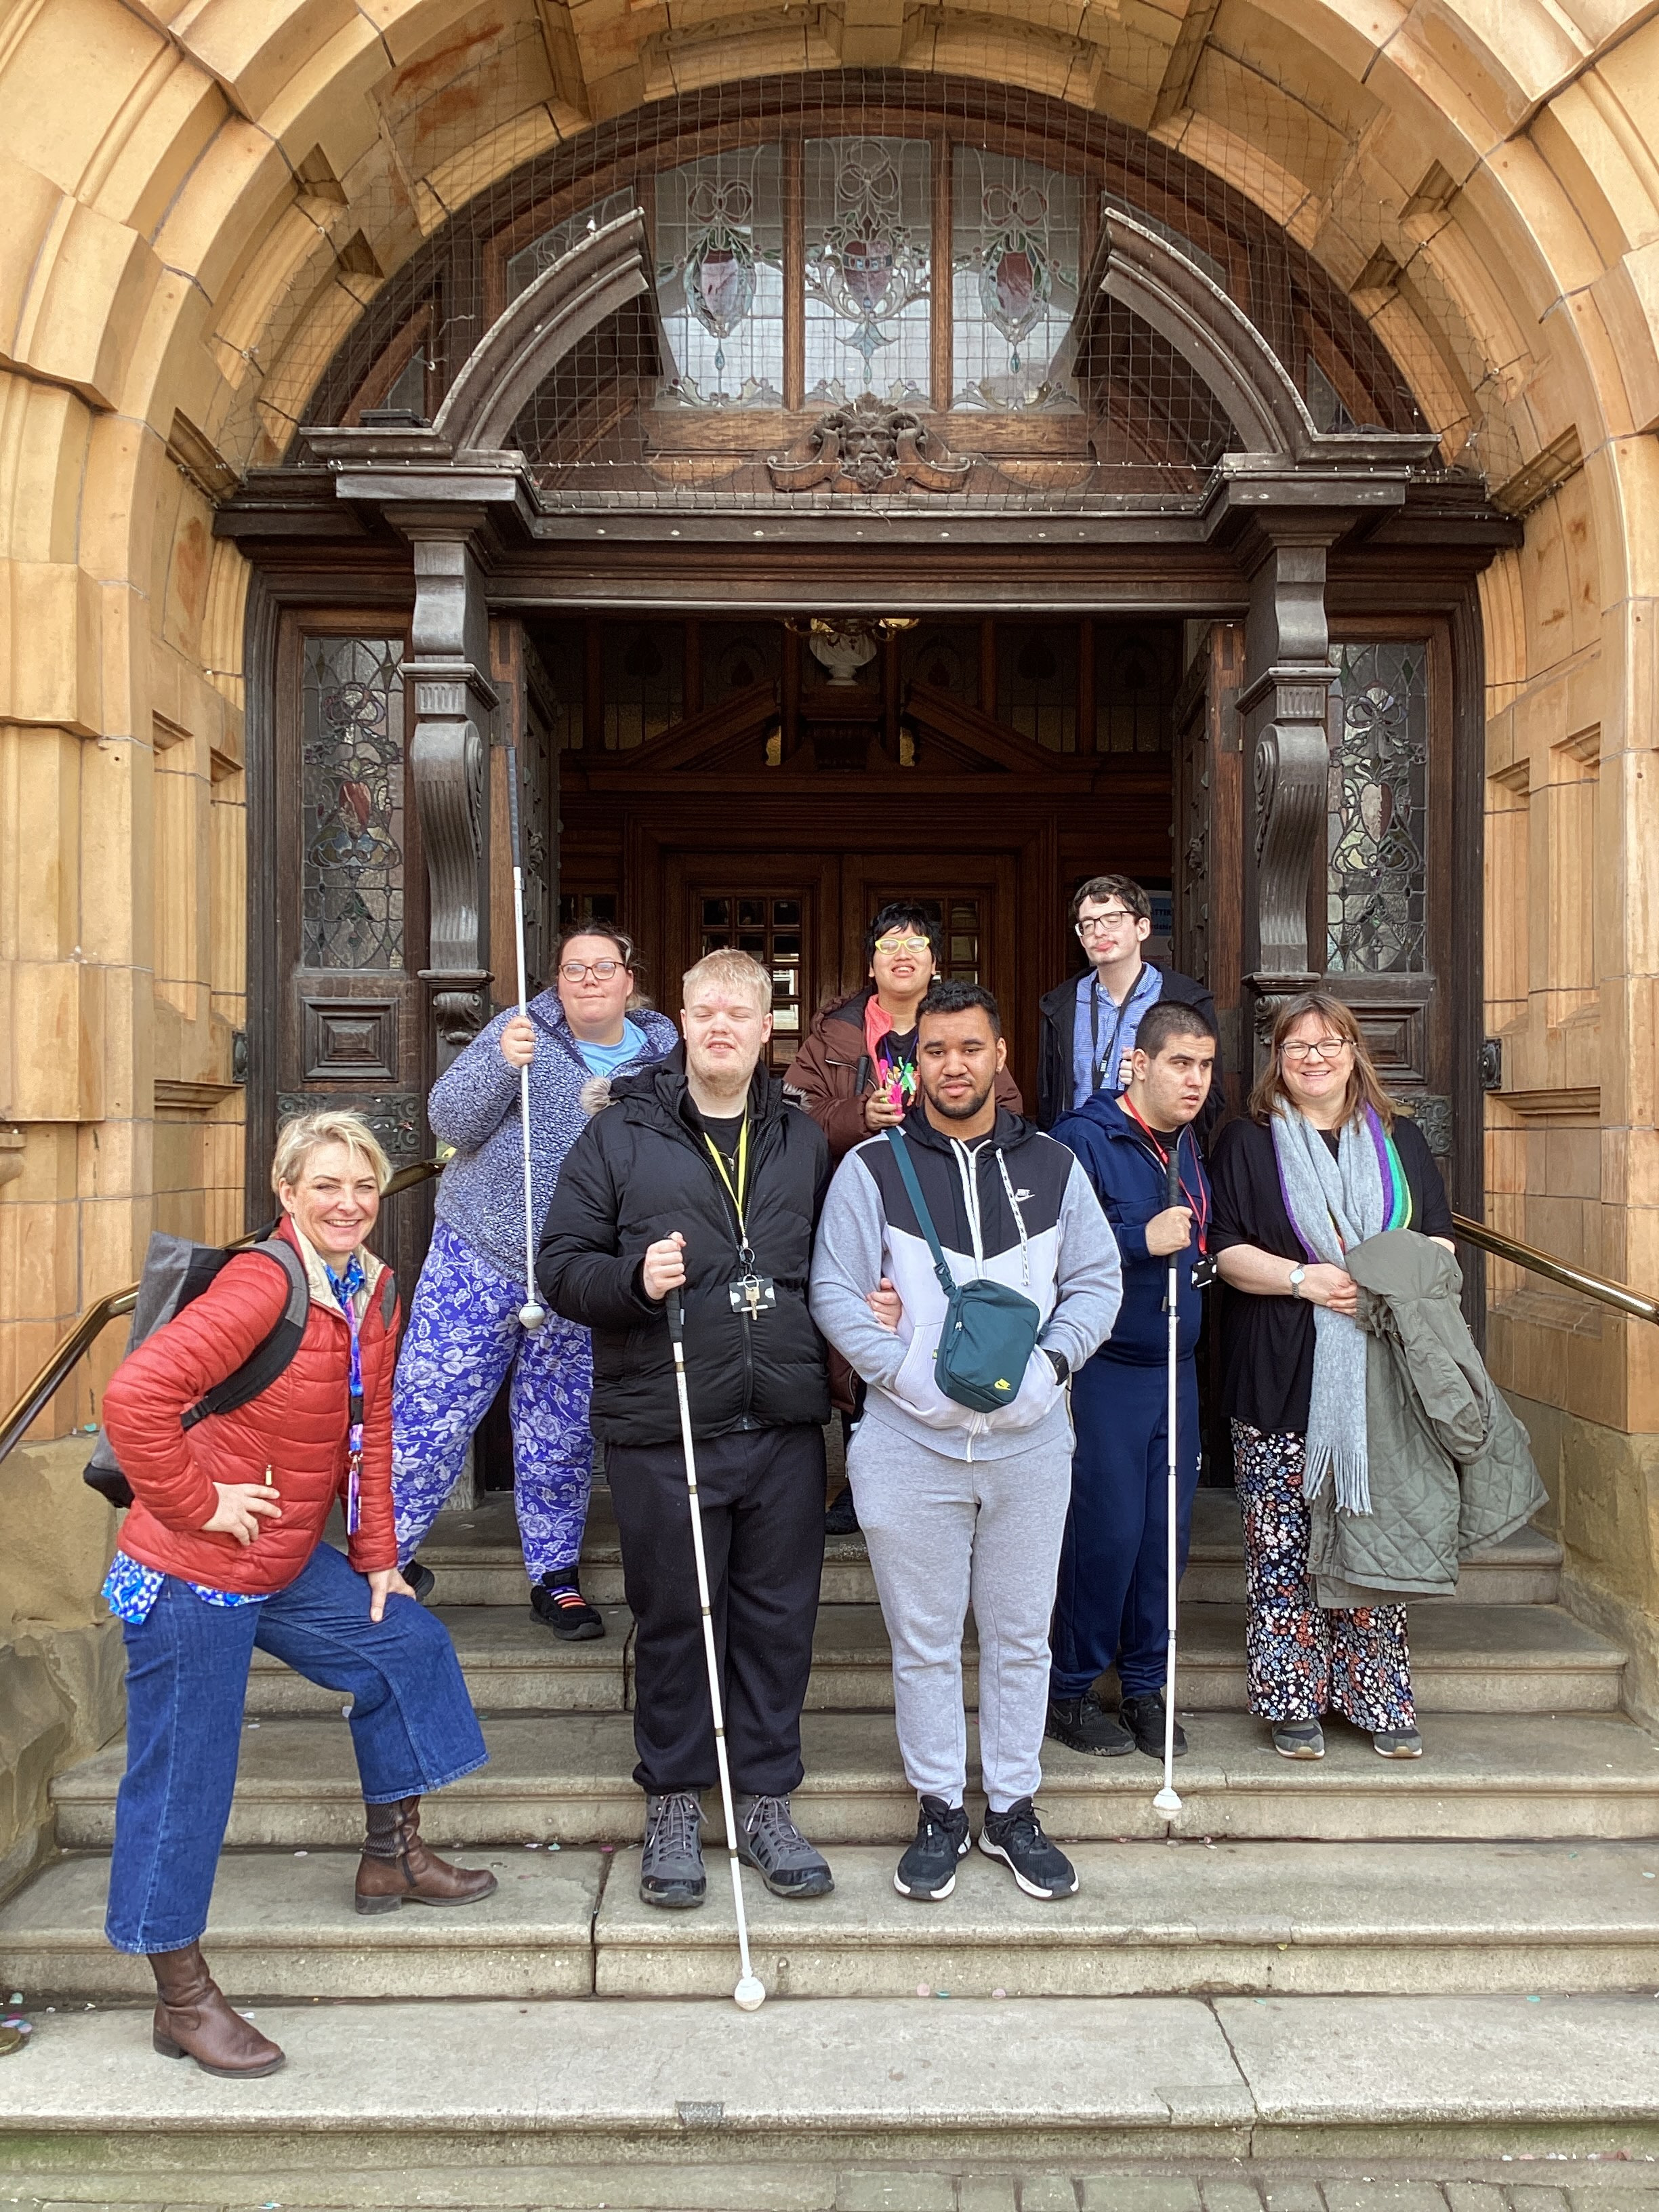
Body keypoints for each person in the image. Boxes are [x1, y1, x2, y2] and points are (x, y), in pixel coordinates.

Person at [99, 1111, 493, 2081]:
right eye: (326, 1185)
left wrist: (377, 1558)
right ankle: (180, 1997)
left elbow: (376, 1429)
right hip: (196, 1570)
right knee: (187, 1781)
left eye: (363, 1185)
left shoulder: (367, 1286)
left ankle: (391, 1851)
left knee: (404, 1646)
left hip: (280, 1562)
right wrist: (201, 1501)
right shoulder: (259, 1283)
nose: (349, 1204)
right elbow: (134, 1399)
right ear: (286, 1194)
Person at [810, 980, 1121, 1906]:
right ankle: (942, 1807)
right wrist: (904, 1377)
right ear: (915, 1064)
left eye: (971, 1048)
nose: (954, 1065)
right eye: (936, 1050)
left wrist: (1050, 1369)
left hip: (1030, 1442)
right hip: (908, 1446)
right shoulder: (871, 1167)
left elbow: (1097, 1283)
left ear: (1000, 1057)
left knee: (1023, 1637)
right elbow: (832, 1290)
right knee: (925, 1638)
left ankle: (1015, 1808)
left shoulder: (1058, 1167)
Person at [537, 949, 836, 1910]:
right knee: (675, 1621)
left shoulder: (799, 1138)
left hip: (784, 1422)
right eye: (705, 1011)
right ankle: (672, 1797)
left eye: (739, 1016)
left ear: (763, 1032)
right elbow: (561, 1266)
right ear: (681, 1021)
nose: (721, 1028)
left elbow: (832, 1265)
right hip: (664, 1425)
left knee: (777, 1623)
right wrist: (631, 1281)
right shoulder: (621, 1135)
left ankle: (764, 1800)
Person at [392, 924, 677, 1635]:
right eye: (572, 968)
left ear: (628, 980)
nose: (586, 980)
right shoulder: (517, 1028)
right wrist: (496, 1059)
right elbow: (449, 1118)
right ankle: (384, 1558)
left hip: (578, 1272)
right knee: (429, 1415)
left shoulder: (664, 1054)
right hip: (479, 1254)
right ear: (556, 977)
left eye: (602, 967)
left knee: (560, 1434)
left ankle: (553, 1576)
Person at [1210, 992, 1456, 1761]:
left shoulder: (1400, 1139)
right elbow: (1222, 1249)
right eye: (1296, 1046)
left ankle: (1378, 1696)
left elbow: (1441, 1248)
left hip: (1380, 1374)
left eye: (1330, 1043)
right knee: (1280, 1543)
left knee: (1373, 1539)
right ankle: (1293, 1698)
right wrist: (1302, 1280)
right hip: (1278, 1368)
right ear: (1276, 1060)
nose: (1314, 1058)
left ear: (1355, 1052)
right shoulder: (1246, 1143)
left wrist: (1378, 1278)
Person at [785, 901, 1022, 1536]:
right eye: (890, 944)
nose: (903, 953)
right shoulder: (833, 1033)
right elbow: (793, 1115)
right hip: (858, 1198)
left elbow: (1010, 1105)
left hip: (947, 1207)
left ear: (934, 962)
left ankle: (944, 1460)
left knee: (931, 1321)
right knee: (859, 1325)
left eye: (916, 943)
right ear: (872, 963)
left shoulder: (959, 1026)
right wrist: (858, 1117)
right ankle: (863, 1475)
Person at [1047, 1001, 1217, 1759]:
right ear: (1137, 1064)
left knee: (1163, 1540)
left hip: (1176, 1366)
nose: (1196, 1080)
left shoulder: (1188, 1142)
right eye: (1181, 1063)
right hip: (1107, 1371)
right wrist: (1136, 1240)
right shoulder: (1083, 1140)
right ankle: (1071, 1689)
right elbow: (1048, 1250)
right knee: (1106, 1535)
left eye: (1206, 1066)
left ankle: (1148, 1686)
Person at [1036, 874, 1221, 1136]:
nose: (1099, 932)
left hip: (1151, 1156)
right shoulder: (1059, 1006)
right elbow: (1048, 1105)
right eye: (1087, 925)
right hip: (1075, 1153)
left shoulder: (1188, 1002)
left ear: (1142, 928)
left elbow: (1211, 1102)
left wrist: (1152, 1086)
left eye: (1112, 920)